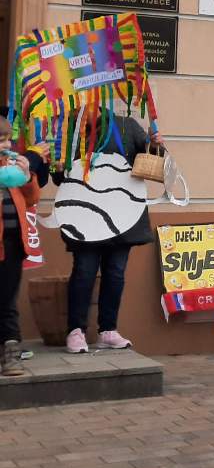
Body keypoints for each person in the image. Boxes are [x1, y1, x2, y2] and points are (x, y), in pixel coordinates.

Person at [56, 113, 154, 353]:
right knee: (84, 272)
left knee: (115, 273)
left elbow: (152, 159)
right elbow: (60, 178)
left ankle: (108, 329)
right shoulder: (71, 128)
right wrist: (58, 168)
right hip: (84, 216)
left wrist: (156, 143)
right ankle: (75, 330)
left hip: (122, 213)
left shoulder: (126, 125)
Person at [0, 143, 43, 377]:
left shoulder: (12, 171)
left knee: (7, 300)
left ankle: (11, 352)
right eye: (0, 140)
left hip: (13, 245)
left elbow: (31, 199)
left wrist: (27, 176)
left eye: (7, 139)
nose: (5, 145)